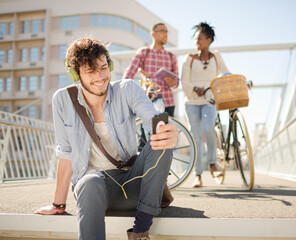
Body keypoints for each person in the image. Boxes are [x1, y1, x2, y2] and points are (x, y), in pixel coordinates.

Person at [35, 36, 178, 240]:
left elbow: (152, 119)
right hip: (95, 190)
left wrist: (166, 130)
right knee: (90, 181)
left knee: (160, 139)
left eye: (103, 67)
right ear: (76, 74)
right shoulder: (62, 100)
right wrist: (58, 205)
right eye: (91, 71)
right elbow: (65, 152)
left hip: (132, 181)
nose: (100, 76)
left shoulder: (127, 88)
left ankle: (141, 230)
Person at [181, 22, 229, 188]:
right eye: (195, 39)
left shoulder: (216, 57)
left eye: (200, 39)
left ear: (208, 40)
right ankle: (198, 175)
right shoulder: (189, 59)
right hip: (192, 102)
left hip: (210, 100)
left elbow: (224, 73)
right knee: (195, 138)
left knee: (209, 128)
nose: (197, 42)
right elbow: (184, 81)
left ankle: (212, 163)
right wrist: (195, 88)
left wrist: (233, 79)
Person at [123, 23, 179, 117]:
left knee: (167, 131)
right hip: (147, 101)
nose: (165, 34)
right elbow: (129, 73)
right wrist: (128, 91)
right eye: (162, 31)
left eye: (166, 31)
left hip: (168, 102)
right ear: (153, 34)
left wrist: (173, 83)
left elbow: (176, 82)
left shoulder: (171, 56)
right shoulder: (143, 52)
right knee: (147, 131)